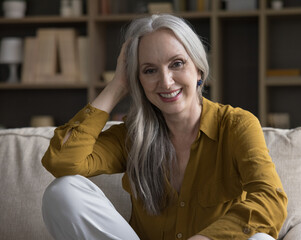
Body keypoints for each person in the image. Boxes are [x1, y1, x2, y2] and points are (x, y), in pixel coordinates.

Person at [41, 14, 287, 240]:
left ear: (198, 69)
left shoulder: (236, 126)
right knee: (62, 191)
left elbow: (270, 199)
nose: (166, 82)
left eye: (177, 64)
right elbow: (63, 161)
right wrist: (116, 85)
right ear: (138, 80)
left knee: (260, 239)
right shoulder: (131, 135)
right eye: (149, 70)